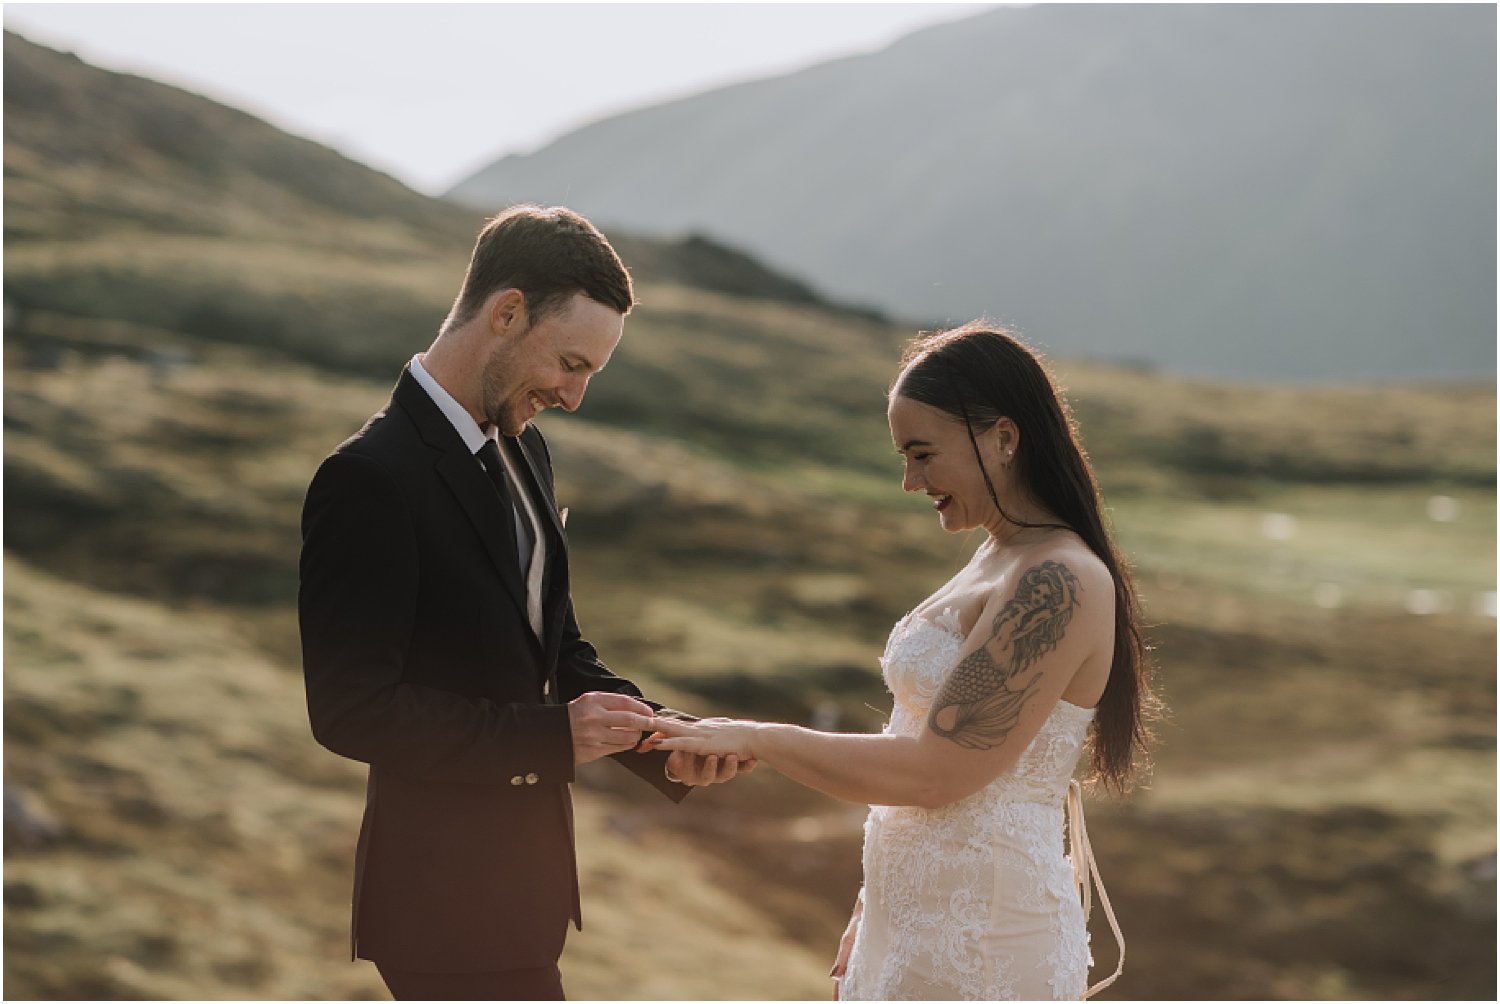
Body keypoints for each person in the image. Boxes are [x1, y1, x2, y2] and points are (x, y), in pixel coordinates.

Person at [298, 205, 747, 1001]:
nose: (573, 396)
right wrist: (547, 739)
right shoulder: (369, 478)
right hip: (441, 904)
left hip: (523, 894)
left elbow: (556, 647)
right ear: (506, 313)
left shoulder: (523, 447)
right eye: (570, 363)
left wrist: (662, 739)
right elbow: (350, 710)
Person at [649, 323, 1157, 1000]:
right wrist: (875, 905)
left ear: (1004, 439)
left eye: (922, 454)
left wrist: (760, 738)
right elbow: (911, 742)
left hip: (984, 939)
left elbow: (934, 772)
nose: (909, 481)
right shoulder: (997, 555)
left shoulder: (1055, 583)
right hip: (916, 920)